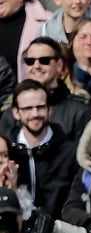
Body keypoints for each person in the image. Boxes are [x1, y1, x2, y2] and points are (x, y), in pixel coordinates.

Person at [7, 79, 79, 217]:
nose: (35, 114)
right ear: (16, 113)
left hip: (60, 232)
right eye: (28, 108)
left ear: (50, 109)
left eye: (40, 107)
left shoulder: (70, 152)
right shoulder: (8, 152)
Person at [0, 36, 91, 142]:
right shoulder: (11, 114)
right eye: (30, 61)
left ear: (59, 65)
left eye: (44, 60)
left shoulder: (79, 112)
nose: (36, 66)